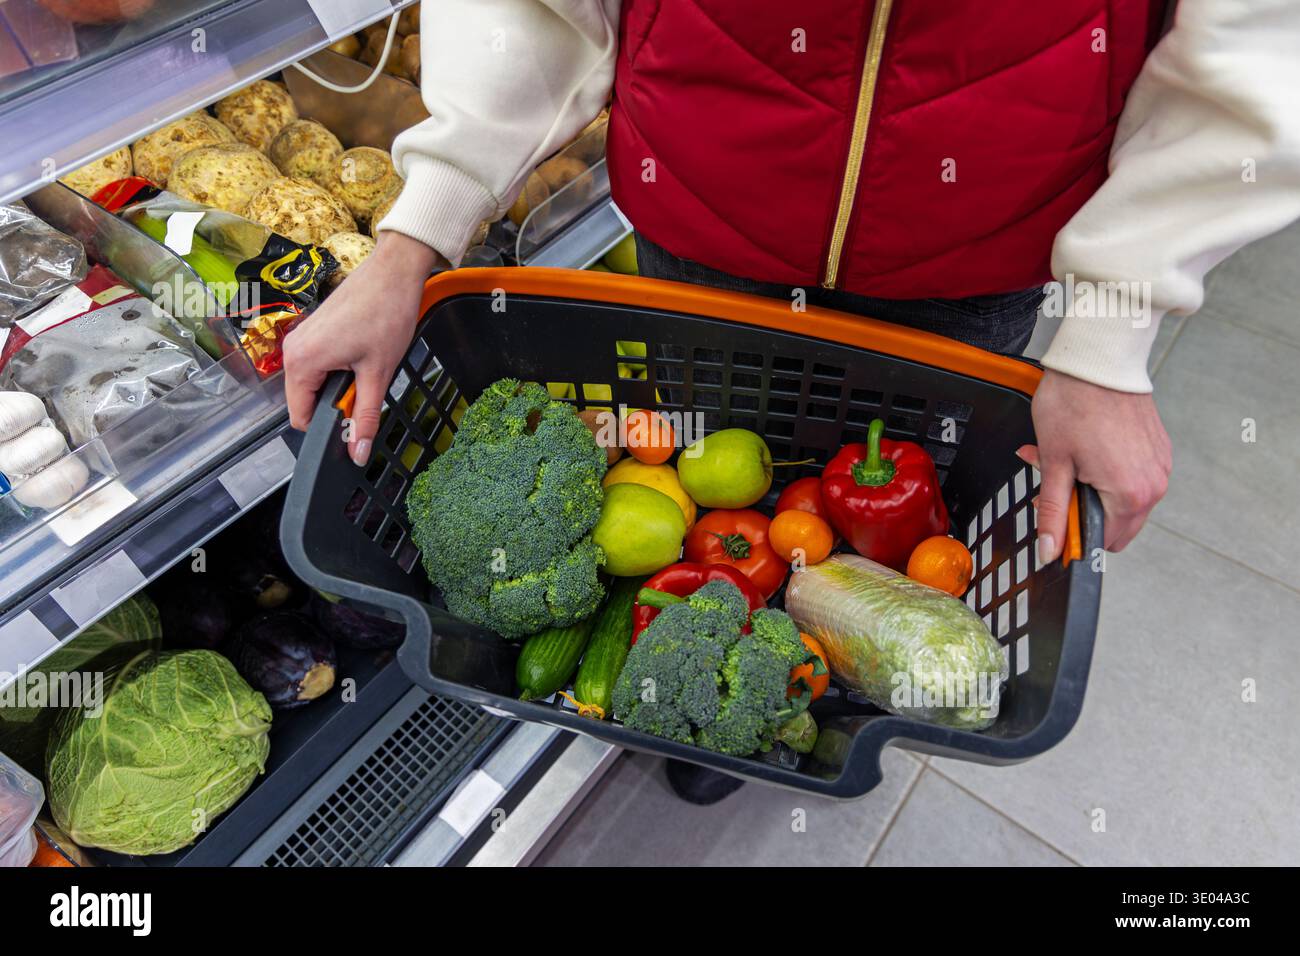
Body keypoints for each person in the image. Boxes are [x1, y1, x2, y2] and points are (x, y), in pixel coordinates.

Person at [285, 0, 1300, 568]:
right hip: (698, 241)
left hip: (971, 263)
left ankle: (785, 702)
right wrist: (418, 229)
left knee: (884, 545)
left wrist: (1113, 333)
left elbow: (1253, 42)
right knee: (704, 484)